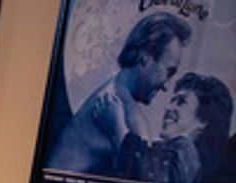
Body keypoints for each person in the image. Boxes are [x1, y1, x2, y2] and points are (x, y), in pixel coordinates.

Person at [49, 11, 191, 174]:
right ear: (146, 56)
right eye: (169, 71)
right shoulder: (126, 112)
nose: (167, 86)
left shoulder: (111, 93)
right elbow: (149, 181)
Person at [109, 72, 234, 183]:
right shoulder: (181, 154)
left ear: (204, 120)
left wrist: (116, 126)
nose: (168, 107)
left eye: (181, 102)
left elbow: (145, 175)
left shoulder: (187, 153)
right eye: (172, 101)